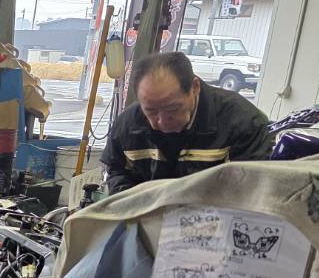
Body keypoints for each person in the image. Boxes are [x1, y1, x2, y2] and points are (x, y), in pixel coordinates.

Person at [101, 50, 274, 195]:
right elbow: (117, 171)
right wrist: (135, 207)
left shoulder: (243, 122)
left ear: (195, 87)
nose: (162, 121)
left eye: (173, 109)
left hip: (217, 218)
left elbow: (251, 188)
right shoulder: (127, 125)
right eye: (151, 111)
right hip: (148, 217)